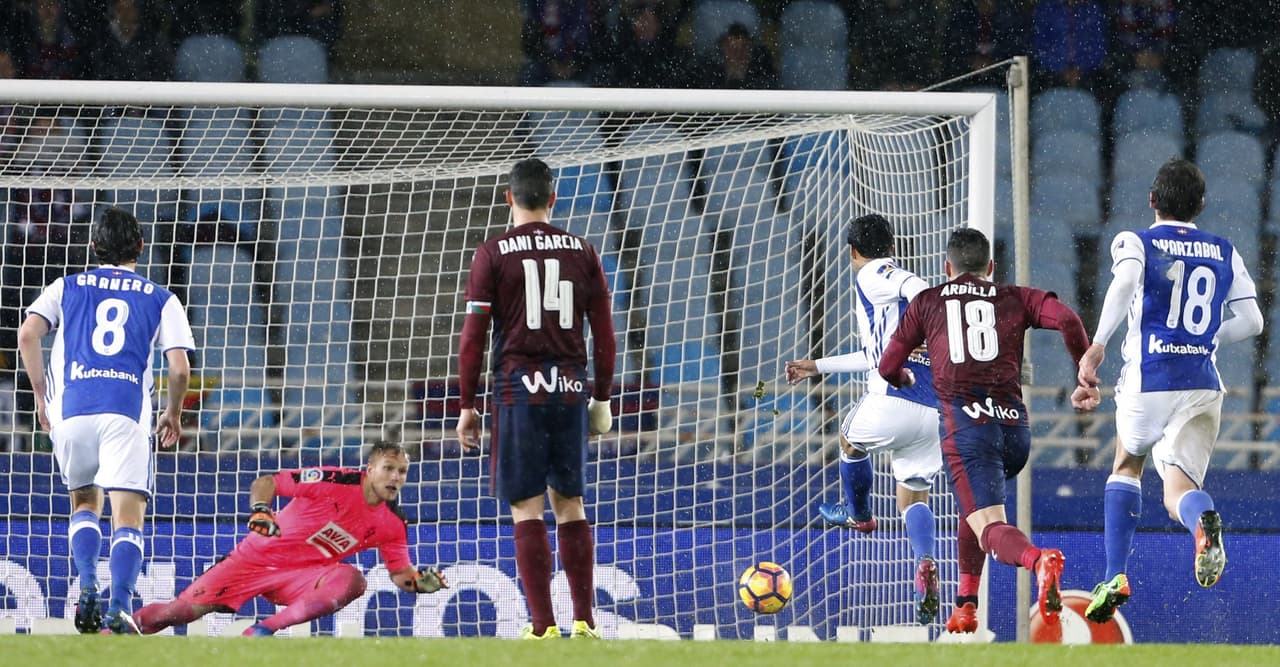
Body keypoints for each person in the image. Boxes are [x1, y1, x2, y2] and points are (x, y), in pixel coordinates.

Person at [878, 227, 1095, 636]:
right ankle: (966, 602)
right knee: (974, 507)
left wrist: (904, 377)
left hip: (968, 429)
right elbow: (1067, 318)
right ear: (991, 267)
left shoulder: (927, 301)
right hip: (1015, 430)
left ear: (947, 267)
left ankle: (1038, 561)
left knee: (990, 524)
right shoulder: (1015, 296)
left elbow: (888, 366)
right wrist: (1083, 372)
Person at [1073, 159, 1263, 624]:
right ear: (1200, 204)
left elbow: (1124, 283)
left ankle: (1115, 574)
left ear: (1152, 199)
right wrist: (1205, 337)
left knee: (1126, 464)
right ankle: (1202, 521)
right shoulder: (1224, 249)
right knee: (1178, 490)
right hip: (1202, 382)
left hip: (1148, 379)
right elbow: (1254, 321)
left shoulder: (1136, 240)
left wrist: (1096, 346)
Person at [455, 157, 616, 640]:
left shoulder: (493, 252)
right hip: (569, 389)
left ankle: (543, 627)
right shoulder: (583, 251)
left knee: (526, 508)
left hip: (517, 390)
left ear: (508, 198)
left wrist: (467, 404)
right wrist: (602, 398)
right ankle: (585, 622)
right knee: (570, 505)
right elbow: (605, 336)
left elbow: (473, 338)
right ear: (553, 198)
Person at [17, 206, 195, 634]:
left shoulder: (66, 286)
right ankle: (118, 605)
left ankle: (89, 584)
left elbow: (26, 334)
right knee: (127, 516)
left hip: (71, 410)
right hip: (125, 412)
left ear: (93, 246)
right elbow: (180, 368)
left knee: (83, 504)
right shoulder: (159, 297)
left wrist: (42, 397)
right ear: (141, 246)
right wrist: (172, 412)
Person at [785, 213, 942, 625]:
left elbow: (916, 287)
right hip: (932, 412)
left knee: (849, 441)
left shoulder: (875, 272)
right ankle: (925, 560)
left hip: (893, 396)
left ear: (854, 252)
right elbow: (875, 356)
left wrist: (931, 299)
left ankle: (859, 514)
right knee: (913, 496)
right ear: (891, 243)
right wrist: (818, 365)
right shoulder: (896, 309)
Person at [132, 442, 448, 636]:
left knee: (353, 580)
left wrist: (420, 583)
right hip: (253, 560)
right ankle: (117, 629)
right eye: (388, 468)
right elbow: (268, 482)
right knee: (177, 613)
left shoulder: (393, 524)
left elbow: (400, 574)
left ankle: (265, 629)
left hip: (302, 576)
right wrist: (260, 511)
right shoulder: (334, 480)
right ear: (369, 469)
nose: (395, 478)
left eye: (402, 472)